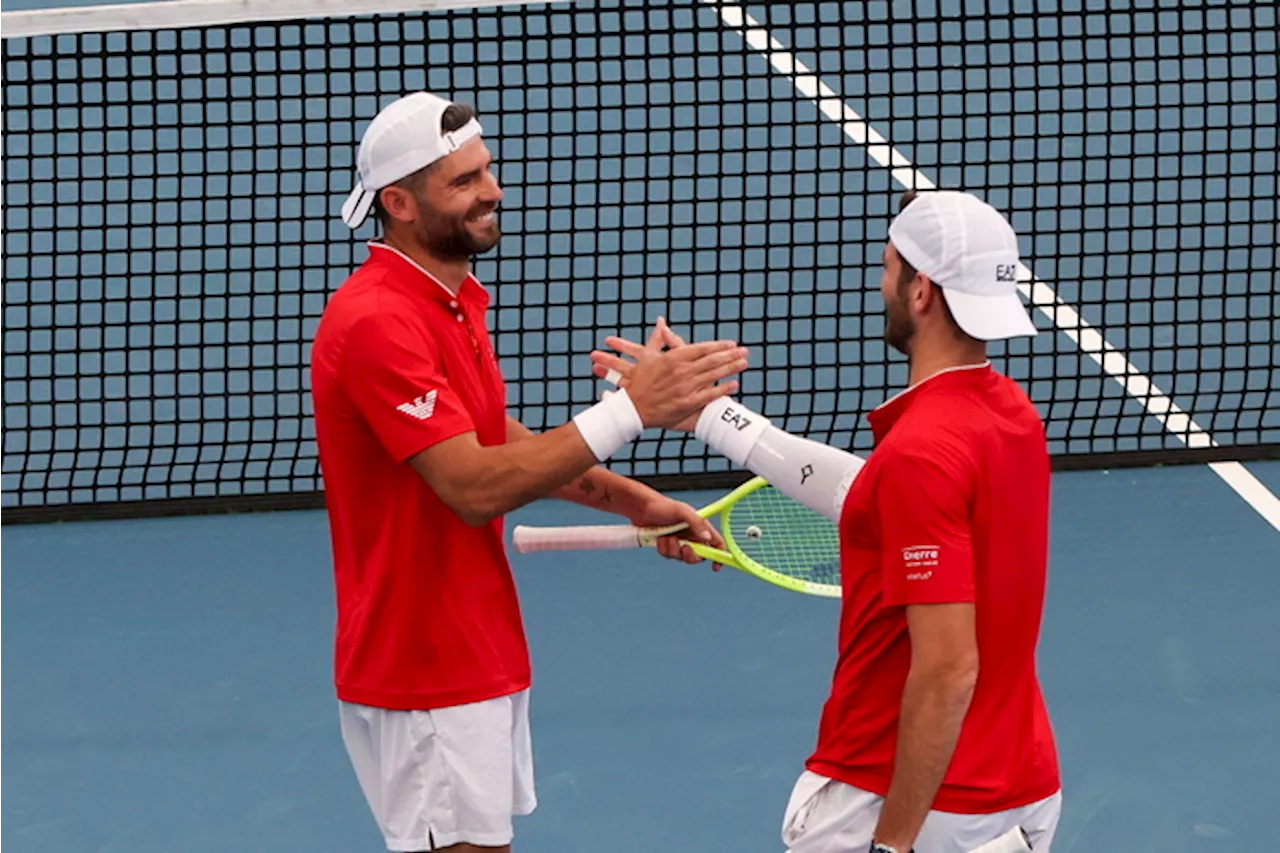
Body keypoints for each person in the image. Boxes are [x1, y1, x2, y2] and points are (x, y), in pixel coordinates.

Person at [310, 91, 749, 853]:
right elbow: (473, 487)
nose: (493, 191)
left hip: (473, 647)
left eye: (487, 169)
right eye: (464, 181)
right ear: (398, 203)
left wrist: (632, 500)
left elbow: (489, 438)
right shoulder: (378, 321)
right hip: (424, 666)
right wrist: (629, 412)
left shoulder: (450, 296)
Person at [592, 190, 1063, 853]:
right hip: (1020, 788)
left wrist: (892, 844)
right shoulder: (1009, 415)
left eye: (889, 266)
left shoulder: (921, 453)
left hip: (899, 800)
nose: (882, 281)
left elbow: (949, 669)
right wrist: (712, 418)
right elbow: (869, 494)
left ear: (921, 291)